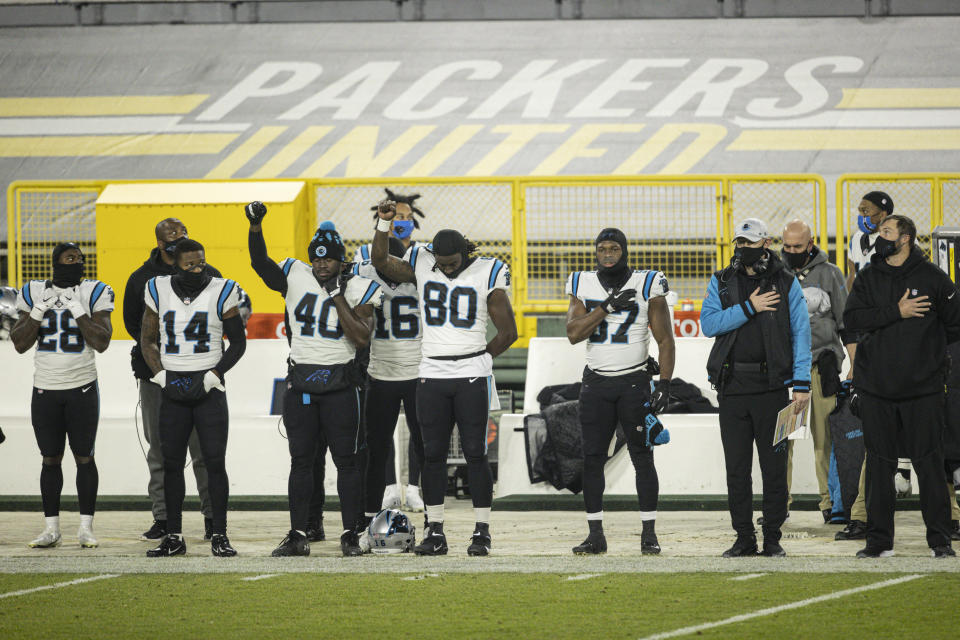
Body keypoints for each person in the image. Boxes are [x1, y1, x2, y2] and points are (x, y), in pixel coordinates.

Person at [370, 199, 517, 557]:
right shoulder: (422, 259)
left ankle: (482, 532)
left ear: (465, 255)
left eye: (452, 264)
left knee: (475, 454)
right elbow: (380, 262)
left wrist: (482, 357)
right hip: (432, 371)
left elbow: (508, 331)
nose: (447, 269)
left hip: (470, 373)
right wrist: (383, 225)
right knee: (432, 454)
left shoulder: (489, 270)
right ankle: (434, 530)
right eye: (442, 263)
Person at [245, 202, 382, 557]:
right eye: (317, 259)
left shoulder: (357, 287)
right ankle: (298, 533)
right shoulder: (294, 273)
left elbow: (361, 338)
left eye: (329, 259)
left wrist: (336, 293)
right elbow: (260, 265)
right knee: (301, 461)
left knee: (347, 462)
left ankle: (352, 533)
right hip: (303, 383)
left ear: (341, 259)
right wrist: (256, 228)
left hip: (341, 385)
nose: (322, 264)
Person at [843, 215, 960, 558]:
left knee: (930, 466)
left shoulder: (933, 279)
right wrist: (896, 311)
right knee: (879, 469)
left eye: (887, 231)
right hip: (877, 391)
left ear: (905, 237)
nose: (880, 237)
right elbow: (852, 320)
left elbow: (955, 324)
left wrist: (928, 353)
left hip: (923, 391)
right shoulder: (867, 277)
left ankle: (940, 542)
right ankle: (878, 543)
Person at [701, 218, 811, 558]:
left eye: (750, 242)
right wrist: (750, 307)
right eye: (740, 242)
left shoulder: (787, 281)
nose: (743, 249)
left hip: (776, 390)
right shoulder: (721, 281)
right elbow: (709, 324)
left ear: (765, 243)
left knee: (775, 470)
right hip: (732, 389)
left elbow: (801, 334)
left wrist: (802, 385)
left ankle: (773, 538)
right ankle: (744, 537)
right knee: (736, 469)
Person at [564, 228, 675, 555]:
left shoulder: (646, 283)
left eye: (614, 248)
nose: (608, 254)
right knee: (593, 459)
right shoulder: (582, 283)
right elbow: (573, 333)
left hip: (634, 383)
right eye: (602, 249)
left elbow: (665, 339)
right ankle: (595, 534)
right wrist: (607, 307)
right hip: (596, 383)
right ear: (595, 252)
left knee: (643, 457)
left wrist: (665, 382)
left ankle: (649, 534)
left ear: (624, 251)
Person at [140, 239, 246, 557]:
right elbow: (146, 339)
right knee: (171, 464)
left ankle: (219, 534)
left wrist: (214, 376)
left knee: (214, 462)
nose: (197, 269)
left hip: (208, 387)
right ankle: (173, 536)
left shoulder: (223, 288)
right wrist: (161, 376)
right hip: (172, 385)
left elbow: (238, 343)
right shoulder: (157, 288)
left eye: (201, 263)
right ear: (174, 262)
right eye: (190, 264)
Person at [124, 218, 221, 542]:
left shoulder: (210, 275)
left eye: (183, 234)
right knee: (161, 451)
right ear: (160, 243)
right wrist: (161, 365)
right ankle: (164, 518)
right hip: (157, 376)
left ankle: (212, 518)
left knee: (205, 450)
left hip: (198, 374)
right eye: (172, 237)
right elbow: (133, 327)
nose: (179, 240)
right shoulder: (141, 279)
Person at [11, 243, 114, 549]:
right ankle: (51, 528)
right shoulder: (32, 291)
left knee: (84, 456)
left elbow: (102, 341)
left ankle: (86, 527)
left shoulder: (94, 291)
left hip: (82, 385)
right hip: (45, 387)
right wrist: (39, 311)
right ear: (55, 262)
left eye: (81, 259)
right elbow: (18, 343)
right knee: (50, 458)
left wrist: (79, 310)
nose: (77, 263)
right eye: (71, 258)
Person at [781, 220, 857, 523]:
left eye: (797, 247)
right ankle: (779, 505)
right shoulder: (778, 274)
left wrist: (853, 365)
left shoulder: (831, 274)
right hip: (789, 373)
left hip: (822, 367)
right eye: (786, 246)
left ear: (810, 244)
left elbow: (846, 322)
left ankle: (831, 504)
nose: (791, 252)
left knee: (826, 440)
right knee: (783, 442)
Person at [355, 188, 427, 511]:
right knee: (379, 436)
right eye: (396, 217)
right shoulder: (366, 262)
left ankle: (414, 486)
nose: (402, 222)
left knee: (420, 431)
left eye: (406, 218)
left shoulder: (422, 264)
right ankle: (386, 487)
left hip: (415, 362)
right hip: (381, 363)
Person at [843, 192, 915, 501]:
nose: (861, 215)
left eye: (867, 211)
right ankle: (876, 495)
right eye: (859, 210)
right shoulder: (857, 239)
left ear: (884, 212)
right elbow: (850, 276)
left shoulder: (892, 242)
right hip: (869, 325)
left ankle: (905, 470)